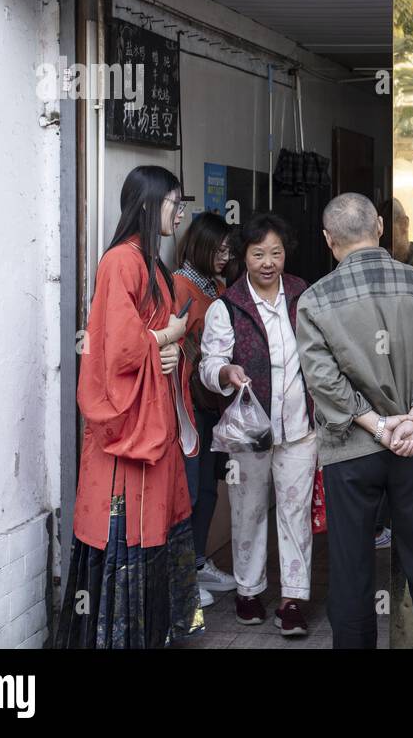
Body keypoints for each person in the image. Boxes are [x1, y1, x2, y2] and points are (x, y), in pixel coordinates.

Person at [297, 192, 413, 649]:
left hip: (352, 452)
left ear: (328, 241)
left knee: (352, 575)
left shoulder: (315, 301)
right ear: (379, 226)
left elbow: (324, 381)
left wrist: (375, 425)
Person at [56, 165, 203, 648]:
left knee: (155, 527)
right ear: (148, 204)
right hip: (132, 426)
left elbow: (141, 343)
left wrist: (167, 347)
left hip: (152, 413)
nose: (179, 215)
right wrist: (166, 336)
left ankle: (150, 633)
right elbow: (118, 348)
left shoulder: (153, 263)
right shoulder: (122, 260)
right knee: (127, 529)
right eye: (173, 204)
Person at [198, 212, 319, 637]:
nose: (268, 262)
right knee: (248, 512)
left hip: (299, 429)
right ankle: (248, 591)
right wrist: (225, 372)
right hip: (249, 434)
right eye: (258, 254)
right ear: (244, 257)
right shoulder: (226, 306)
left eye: (275, 253)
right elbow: (208, 364)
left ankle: (292, 599)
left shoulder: (303, 295)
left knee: (294, 514)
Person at [172, 211, 237, 607]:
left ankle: (196, 563)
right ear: (201, 245)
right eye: (220, 247)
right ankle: (182, 579)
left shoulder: (215, 287)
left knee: (209, 489)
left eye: (230, 249)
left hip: (213, 403)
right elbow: (179, 347)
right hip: (192, 405)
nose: (226, 255)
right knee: (191, 491)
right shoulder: (181, 286)